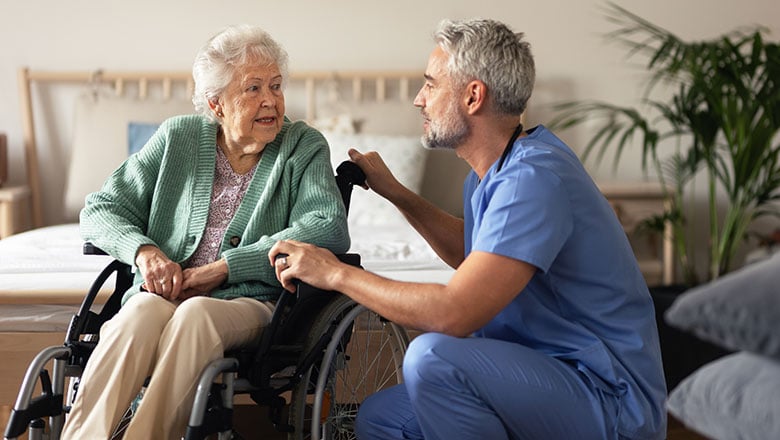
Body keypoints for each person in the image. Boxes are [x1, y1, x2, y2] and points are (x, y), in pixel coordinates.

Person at [270, 18, 667, 440]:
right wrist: (397, 194)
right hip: (547, 376)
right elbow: (477, 255)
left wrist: (335, 272)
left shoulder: (532, 179)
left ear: (473, 96)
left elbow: (454, 313)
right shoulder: (492, 172)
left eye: (430, 84)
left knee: (432, 357)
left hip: (607, 396)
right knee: (381, 418)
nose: (419, 100)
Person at [61, 24, 349, 439]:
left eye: (276, 86)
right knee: (137, 313)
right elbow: (101, 208)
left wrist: (224, 269)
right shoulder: (177, 137)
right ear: (216, 105)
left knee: (196, 315)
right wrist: (145, 253)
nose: (271, 100)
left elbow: (327, 227)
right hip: (166, 294)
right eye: (253, 89)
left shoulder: (303, 147)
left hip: (253, 303)